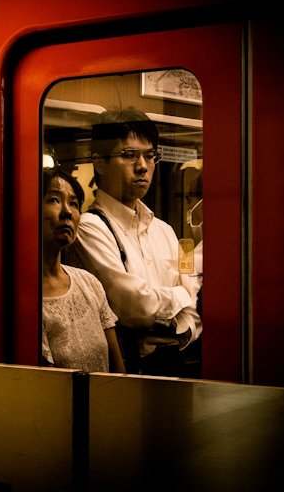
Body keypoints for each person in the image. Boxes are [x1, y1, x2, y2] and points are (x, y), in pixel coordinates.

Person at [66, 108, 202, 375]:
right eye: (129, 155)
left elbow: (195, 298)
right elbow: (135, 306)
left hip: (175, 363)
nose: (142, 166)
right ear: (100, 163)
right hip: (126, 371)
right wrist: (182, 297)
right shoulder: (90, 228)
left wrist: (179, 330)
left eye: (150, 156)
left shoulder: (164, 230)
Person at [41, 167, 126, 373]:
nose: (67, 212)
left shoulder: (89, 283)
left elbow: (119, 371)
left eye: (74, 204)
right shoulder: (29, 299)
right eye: (54, 200)